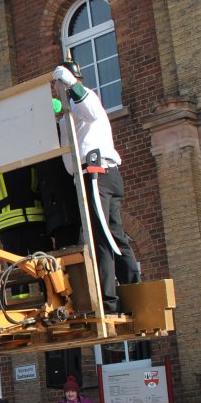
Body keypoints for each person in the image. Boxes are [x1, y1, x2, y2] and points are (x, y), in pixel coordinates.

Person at [52, 60, 138, 314]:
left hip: (95, 174)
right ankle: (132, 288)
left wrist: (70, 83)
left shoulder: (85, 98)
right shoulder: (68, 112)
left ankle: (108, 302)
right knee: (112, 234)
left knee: (100, 238)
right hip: (96, 175)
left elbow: (88, 108)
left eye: (57, 84)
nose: (55, 89)